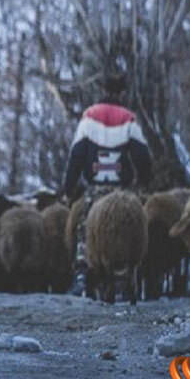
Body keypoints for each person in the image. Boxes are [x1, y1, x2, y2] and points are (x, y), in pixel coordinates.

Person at [62, 73, 152, 297]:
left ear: (102, 91)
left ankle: (81, 272)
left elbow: (76, 155)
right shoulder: (129, 118)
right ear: (122, 93)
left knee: (84, 225)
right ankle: (128, 277)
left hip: (95, 189)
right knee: (133, 225)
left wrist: (69, 188)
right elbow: (142, 155)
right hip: (121, 191)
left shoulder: (89, 117)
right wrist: (144, 181)